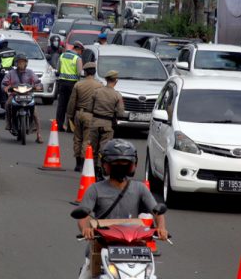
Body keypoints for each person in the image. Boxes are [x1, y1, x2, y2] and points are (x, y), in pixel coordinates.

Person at [76, 139, 168, 279]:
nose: (120, 167)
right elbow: (84, 215)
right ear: (106, 165)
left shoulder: (140, 188)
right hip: (101, 248)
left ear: (132, 166)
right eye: (116, 164)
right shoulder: (95, 189)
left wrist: (161, 228)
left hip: (134, 250)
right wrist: (85, 229)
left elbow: (157, 211)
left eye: (124, 164)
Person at [66, 62, 103, 172]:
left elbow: (72, 101)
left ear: (85, 72)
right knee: (87, 140)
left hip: (78, 113)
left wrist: (70, 115)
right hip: (91, 115)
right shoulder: (99, 85)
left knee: (77, 138)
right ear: (94, 72)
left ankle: (78, 164)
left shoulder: (78, 84)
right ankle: (83, 163)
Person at [89, 70, 124, 177]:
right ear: (116, 81)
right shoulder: (117, 95)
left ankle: (91, 168)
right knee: (104, 148)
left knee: (93, 148)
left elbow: (90, 107)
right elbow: (120, 113)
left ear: (106, 79)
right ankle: (100, 169)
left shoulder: (97, 92)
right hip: (107, 124)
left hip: (95, 123)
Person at [2, 53, 44, 143]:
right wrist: (6, 87)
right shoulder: (11, 73)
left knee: (35, 113)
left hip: (28, 94)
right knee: (7, 104)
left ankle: (39, 135)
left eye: (23, 62)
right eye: (19, 62)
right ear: (16, 63)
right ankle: (9, 124)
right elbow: (4, 83)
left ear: (26, 63)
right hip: (14, 94)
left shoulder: (30, 72)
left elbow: (37, 82)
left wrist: (38, 86)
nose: (21, 64)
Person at [56, 40, 84, 132]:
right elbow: (80, 73)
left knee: (61, 105)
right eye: (81, 51)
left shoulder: (62, 55)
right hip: (72, 84)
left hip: (62, 83)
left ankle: (59, 125)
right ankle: (69, 127)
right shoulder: (77, 58)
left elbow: (58, 70)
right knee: (71, 106)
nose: (81, 53)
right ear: (79, 49)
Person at [0, 34, 16, 108]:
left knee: (2, 92)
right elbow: (14, 63)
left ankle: (4, 109)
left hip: (2, 75)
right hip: (11, 74)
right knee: (12, 91)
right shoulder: (13, 51)